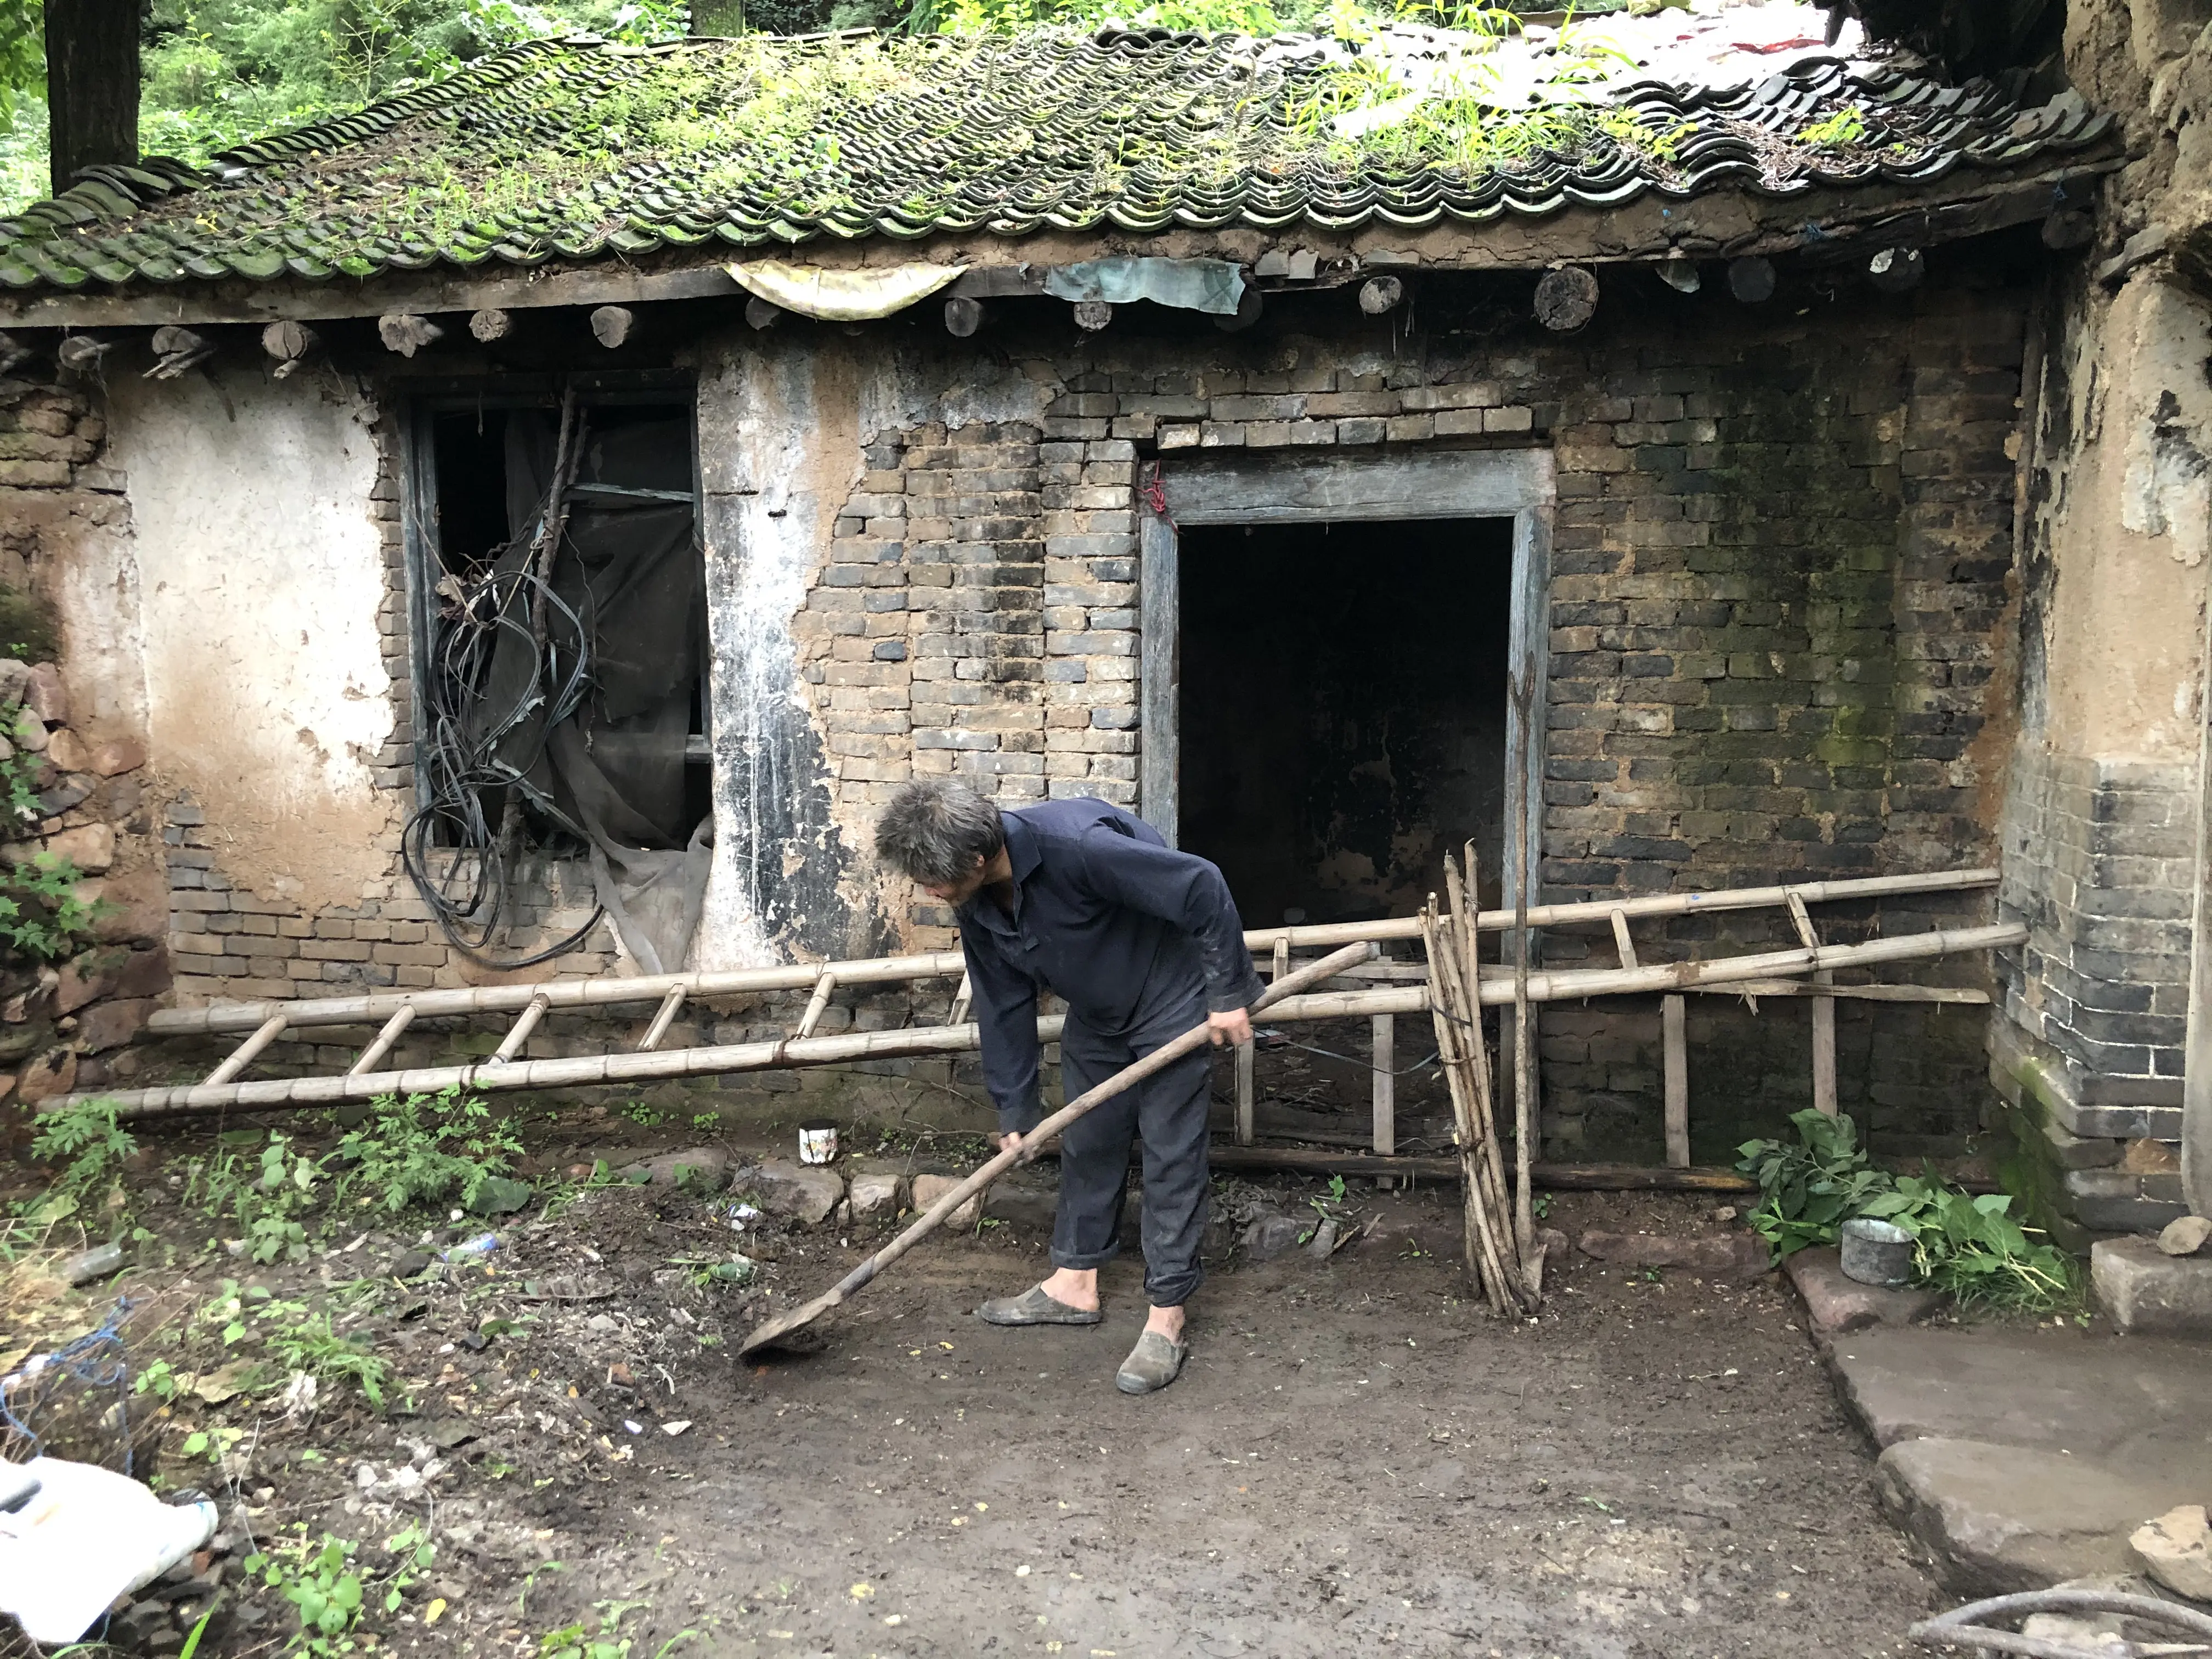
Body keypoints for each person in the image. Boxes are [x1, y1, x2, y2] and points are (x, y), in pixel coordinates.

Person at [874, 778, 1262, 1395]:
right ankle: (1074, 1285)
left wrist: (1228, 994)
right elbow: (1002, 1002)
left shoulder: (1078, 847)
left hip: (1170, 996)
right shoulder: (975, 900)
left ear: (977, 859)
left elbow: (1201, 884)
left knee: (1171, 1153)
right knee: (1091, 1140)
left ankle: (1167, 1317)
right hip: (1099, 1012)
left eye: (934, 879)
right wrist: (1015, 1107)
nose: (928, 892)